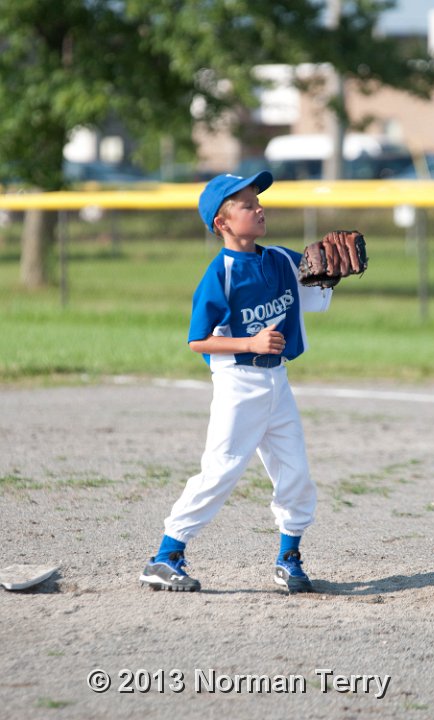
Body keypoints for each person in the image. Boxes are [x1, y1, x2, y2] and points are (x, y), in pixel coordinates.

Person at [140, 171, 333, 594]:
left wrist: (328, 278)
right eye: (247, 205)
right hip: (238, 383)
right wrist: (250, 342)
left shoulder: (280, 259)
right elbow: (197, 340)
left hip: (277, 381)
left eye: (258, 202)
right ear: (222, 222)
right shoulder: (220, 274)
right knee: (221, 471)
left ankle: (288, 558)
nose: (259, 209)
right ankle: (165, 557)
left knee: (296, 473)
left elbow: (313, 296)